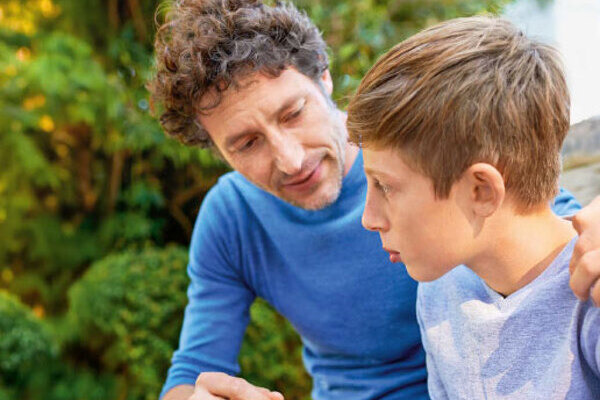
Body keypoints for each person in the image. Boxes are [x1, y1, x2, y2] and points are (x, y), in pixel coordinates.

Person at [148, 1, 600, 399]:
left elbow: (526, 216)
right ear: (218, 152)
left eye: (293, 113)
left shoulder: (414, 149)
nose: (290, 160)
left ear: (323, 76)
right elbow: (192, 370)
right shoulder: (232, 218)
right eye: (247, 144)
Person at [347, 16, 600, 399]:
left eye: (385, 186)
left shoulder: (591, 301)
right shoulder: (440, 290)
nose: (368, 218)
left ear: (481, 191)